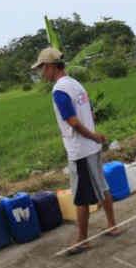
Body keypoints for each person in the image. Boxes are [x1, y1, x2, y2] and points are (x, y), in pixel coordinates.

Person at [33, 47, 120, 255]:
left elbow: (72, 121)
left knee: (81, 195)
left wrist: (91, 135)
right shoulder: (76, 84)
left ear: (51, 66)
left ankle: (82, 239)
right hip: (92, 146)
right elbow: (88, 113)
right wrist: (95, 135)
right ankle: (112, 225)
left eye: (42, 68)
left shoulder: (59, 90)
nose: (41, 73)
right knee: (102, 185)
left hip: (80, 148)